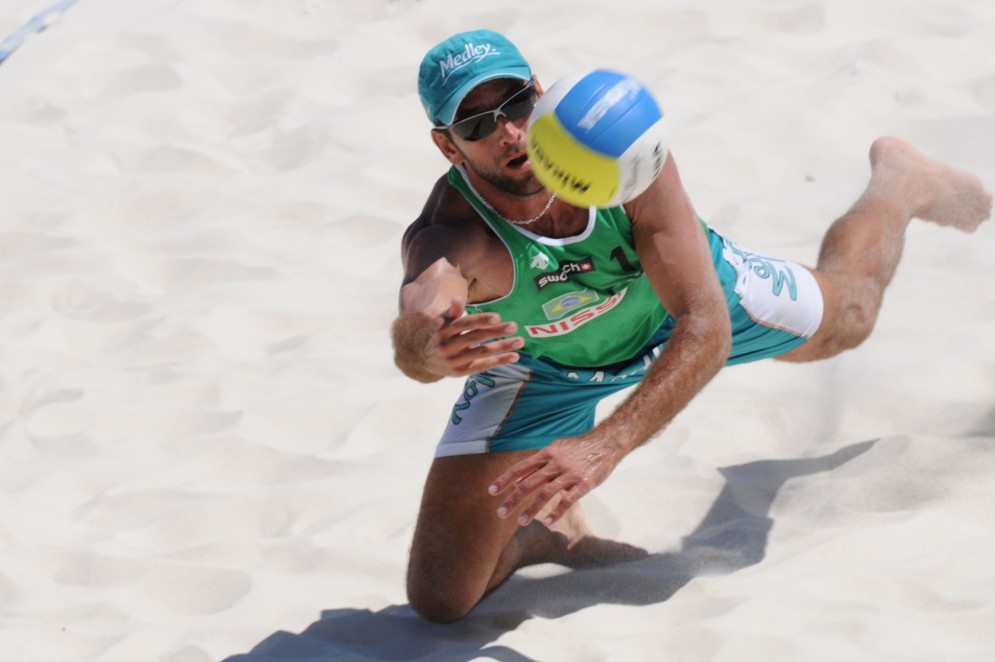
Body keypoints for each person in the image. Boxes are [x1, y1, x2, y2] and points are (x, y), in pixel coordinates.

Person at [391, 29, 992, 623]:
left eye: (516, 103)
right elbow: (420, 313)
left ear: (540, 93)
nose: (509, 132)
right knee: (442, 600)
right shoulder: (453, 235)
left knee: (853, 316)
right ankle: (539, 535)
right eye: (476, 123)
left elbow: (707, 325)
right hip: (548, 365)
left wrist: (606, 446)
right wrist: (428, 350)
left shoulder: (612, 149)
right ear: (449, 147)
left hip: (670, 309)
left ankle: (900, 181)